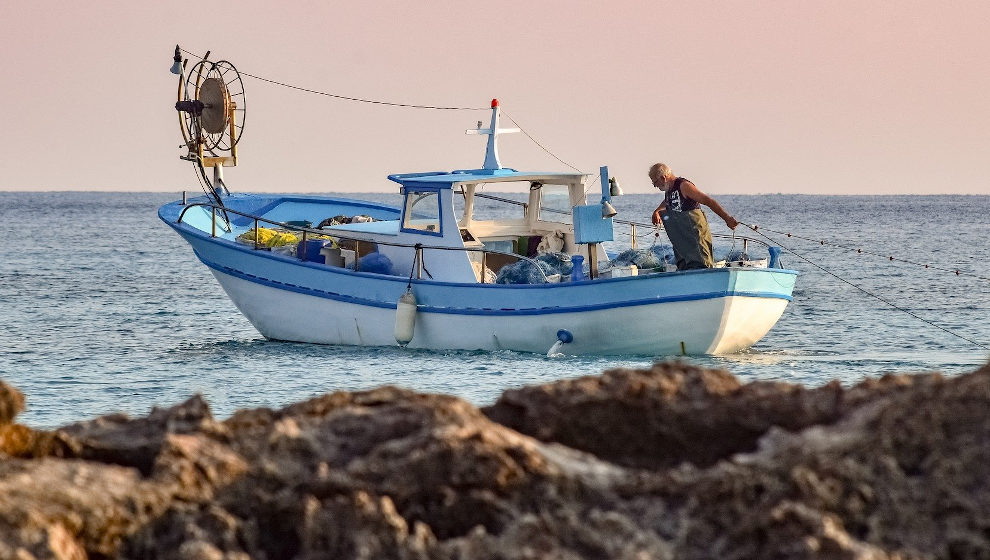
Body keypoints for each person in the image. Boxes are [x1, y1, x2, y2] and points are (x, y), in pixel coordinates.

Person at [649, 163, 738, 270]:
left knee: (701, 262)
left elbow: (708, 201)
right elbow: (668, 201)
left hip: (695, 234)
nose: (655, 186)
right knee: (684, 264)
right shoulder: (669, 190)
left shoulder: (684, 186)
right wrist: (657, 211)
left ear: (663, 178)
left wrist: (727, 219)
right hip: (681, 238)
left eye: (655, 182)